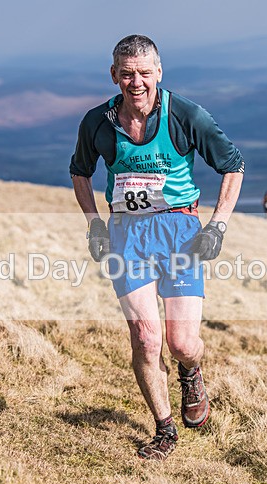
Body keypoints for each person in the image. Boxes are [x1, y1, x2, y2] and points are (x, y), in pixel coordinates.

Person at [70, 35, 244, 461]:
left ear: (159, 73)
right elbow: (80, 171)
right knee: (145, 338)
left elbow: (233, 164)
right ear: (114, 75)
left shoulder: (186, 115)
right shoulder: (97, 121)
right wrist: (95, 225)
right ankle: (164, 429)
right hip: (126, 233)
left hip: (180, 231)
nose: (137, 82)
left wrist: (217, 226)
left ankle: (190, 371)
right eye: (127, 74)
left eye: (145, 73)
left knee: (182, 342)